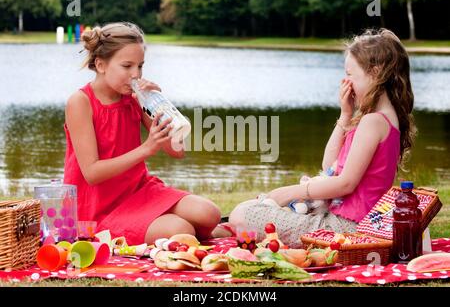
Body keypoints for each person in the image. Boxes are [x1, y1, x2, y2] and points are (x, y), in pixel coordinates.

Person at [227, 28, 417, 248]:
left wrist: (292, 192)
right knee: (249, 208)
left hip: (346, 228)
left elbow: (345, 184)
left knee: (242, 215)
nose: (346, 82)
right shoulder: (377, 118)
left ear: (375, 73)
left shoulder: (373, 122)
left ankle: (239, 227)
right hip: (347, 222)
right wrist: (345, 115)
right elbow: (330, 166)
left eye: (350, 74)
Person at [63, 22, 221, 246]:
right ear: (100, 65)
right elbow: (92, 173)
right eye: (127, 66)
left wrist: (160, 106)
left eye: (140, 66)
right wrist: (146, 149)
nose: (135, 74)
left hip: (139, 192)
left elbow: (177, 151)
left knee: (209, 213)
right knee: (181, 229)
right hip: (98, 210)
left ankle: (187, 232)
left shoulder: (135, 99)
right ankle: (186, 233)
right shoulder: (80, 102)